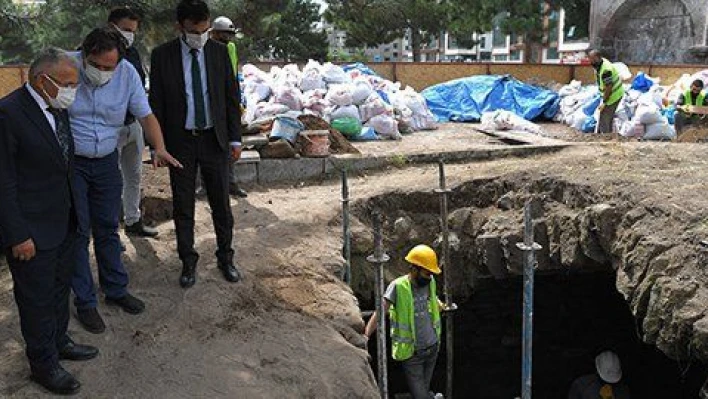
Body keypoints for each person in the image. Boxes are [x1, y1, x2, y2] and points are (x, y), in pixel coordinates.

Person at [69, 27, 182, 334]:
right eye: (98, 66)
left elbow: (145, 115)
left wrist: (159, 147)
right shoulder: (65, 66)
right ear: (84, 54)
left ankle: (116, 290)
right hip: (71, 164)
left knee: (108, 226)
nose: (105, 72)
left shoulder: (127, 73)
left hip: (106, 160)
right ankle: (85, 302)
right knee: (78, 231)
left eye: (111, 67)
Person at [0, 48, 99, 395]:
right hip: (31, 232)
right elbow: (4, 182)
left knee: (59, 291)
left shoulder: (57, 109)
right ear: (44, 81)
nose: (73, 91)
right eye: (68, 84)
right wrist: (17, 235)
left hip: (64, 222)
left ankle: (59, 342)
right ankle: (43, 365)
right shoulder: (8, 114)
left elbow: (63, 163)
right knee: (36, 300)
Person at [149, 0, 243, 288]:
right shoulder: (162, 56)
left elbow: (230, 97)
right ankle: (188, 261)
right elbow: (157, 103)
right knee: (183, 205)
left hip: (214, 139)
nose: (199, 36)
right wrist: (157, 145)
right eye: (193, 30)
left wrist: (236, 138)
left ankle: (225, 257)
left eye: (204, 30)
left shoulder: (218, 52)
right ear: (180, 27)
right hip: (180, 143)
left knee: (221, 204)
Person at [364, 244, 450, 399]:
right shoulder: (398, 287)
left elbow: (431, 300)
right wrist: (366, 335)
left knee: (424, 389)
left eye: (431, 273)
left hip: (432, 348)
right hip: (412, 353)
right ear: (414, 269)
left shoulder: (430, 282)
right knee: (421, 395)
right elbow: (380, 311)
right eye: (426, 273)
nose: (429, 277)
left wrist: (443, 307)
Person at [108, 6, 158, 237]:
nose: (130, 35)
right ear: (111, 26)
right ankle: (109, 230)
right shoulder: (94, 52)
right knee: (108, 181)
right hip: (109, 129)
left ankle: (133, 220)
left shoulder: (133, 54)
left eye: (133, 31)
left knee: (134, 175)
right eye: (126, 29)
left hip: (133, 125)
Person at [198, 15, 247, 199]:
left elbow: (233, 77)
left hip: (228, 100)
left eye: (230, 35)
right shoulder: (203, 49)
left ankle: (231, 183)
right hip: (210, 103)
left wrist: (238, 101)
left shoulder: (231, 48)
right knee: (206, 146)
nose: (227, 39)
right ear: (214, 33)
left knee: (230, 145)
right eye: (223, 35)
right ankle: (205, 185)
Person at [588, 50, 625, 134]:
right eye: (590, 59)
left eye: (593, 59)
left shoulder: (606, 70)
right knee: (605, 117)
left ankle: (606, 139)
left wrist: (604, 102)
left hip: (613, 95)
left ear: (598, 58)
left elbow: (609, 87)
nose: (591, 62)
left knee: (605, 117)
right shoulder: (600, 64)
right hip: (610, 94)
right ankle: (605, 136)